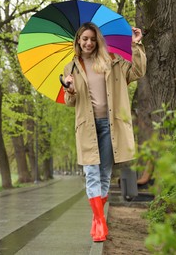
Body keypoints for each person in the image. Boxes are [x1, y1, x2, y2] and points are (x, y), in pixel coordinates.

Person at [62, 22, 146, 242]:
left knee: (104, 175)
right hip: (87, 127)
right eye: (84, 39)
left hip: (111, 126)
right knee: (91, 174)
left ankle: (97, 219)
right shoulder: (70, 69)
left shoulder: (112, 62)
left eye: (92, 39)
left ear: (96, 40)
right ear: (78, 41)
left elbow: (138, 71)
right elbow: (70, 102)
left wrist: (135, 45)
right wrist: (68, 89)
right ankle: (100, 222)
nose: (88, 43)